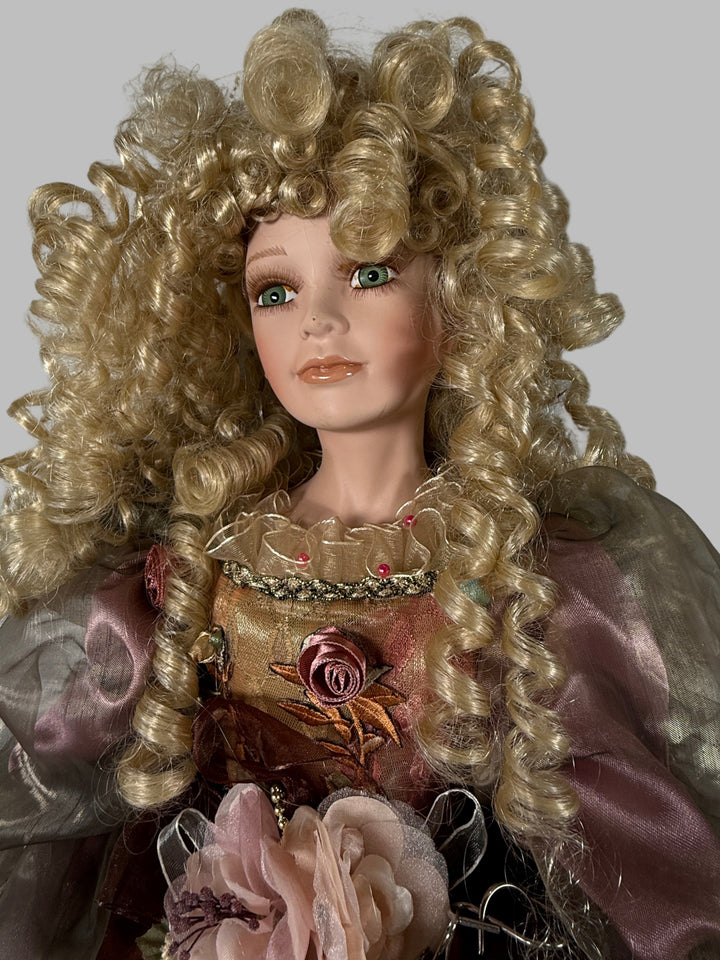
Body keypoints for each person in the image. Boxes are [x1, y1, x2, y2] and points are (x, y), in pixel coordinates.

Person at [0, 9, 718, 959]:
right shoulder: (181, 587)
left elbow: (663, 883)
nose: (319, 321)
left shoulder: (540, 590)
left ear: (461, 298)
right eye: (275, 290)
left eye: (369, 271)